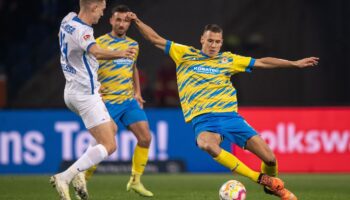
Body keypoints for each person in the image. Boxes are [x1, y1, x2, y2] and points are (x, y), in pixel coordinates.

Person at [127, 12, 319, 200]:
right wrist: (136, 20)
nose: (214, 45)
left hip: (231, 118)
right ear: (202, 39)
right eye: (210, 41)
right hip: (204, 120)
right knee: (206, 144)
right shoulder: (184, 53)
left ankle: (272, 186)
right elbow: (154, 39)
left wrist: (293, 64)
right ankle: (259, 178)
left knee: (270, 159)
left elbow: (263, 62)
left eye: (218, 42)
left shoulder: (228, 59)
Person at [50, 0, 137, 199]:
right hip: (85, 95)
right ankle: (66, 176)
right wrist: (120, 53)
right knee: (110, 145)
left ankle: (79, 174)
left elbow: (71, 46)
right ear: (93, 7)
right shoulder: (84, 31)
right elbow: (95, 51)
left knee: (112, 128)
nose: (102, 14)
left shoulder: (68, 19)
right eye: (102, 9)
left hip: (71, 90)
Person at [75, 5, 154, 197]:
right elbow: (88, 69)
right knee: (104, 144)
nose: (121, 24)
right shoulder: (98, 44)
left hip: (128, 101)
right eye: (118, 19)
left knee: (145, 137)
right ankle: (82, 181)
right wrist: (94, 91)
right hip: (107, 102)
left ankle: (135, 181)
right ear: (111, 20)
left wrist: (137, 91)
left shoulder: (134, 45)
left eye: (125, 20)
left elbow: (133, 67)